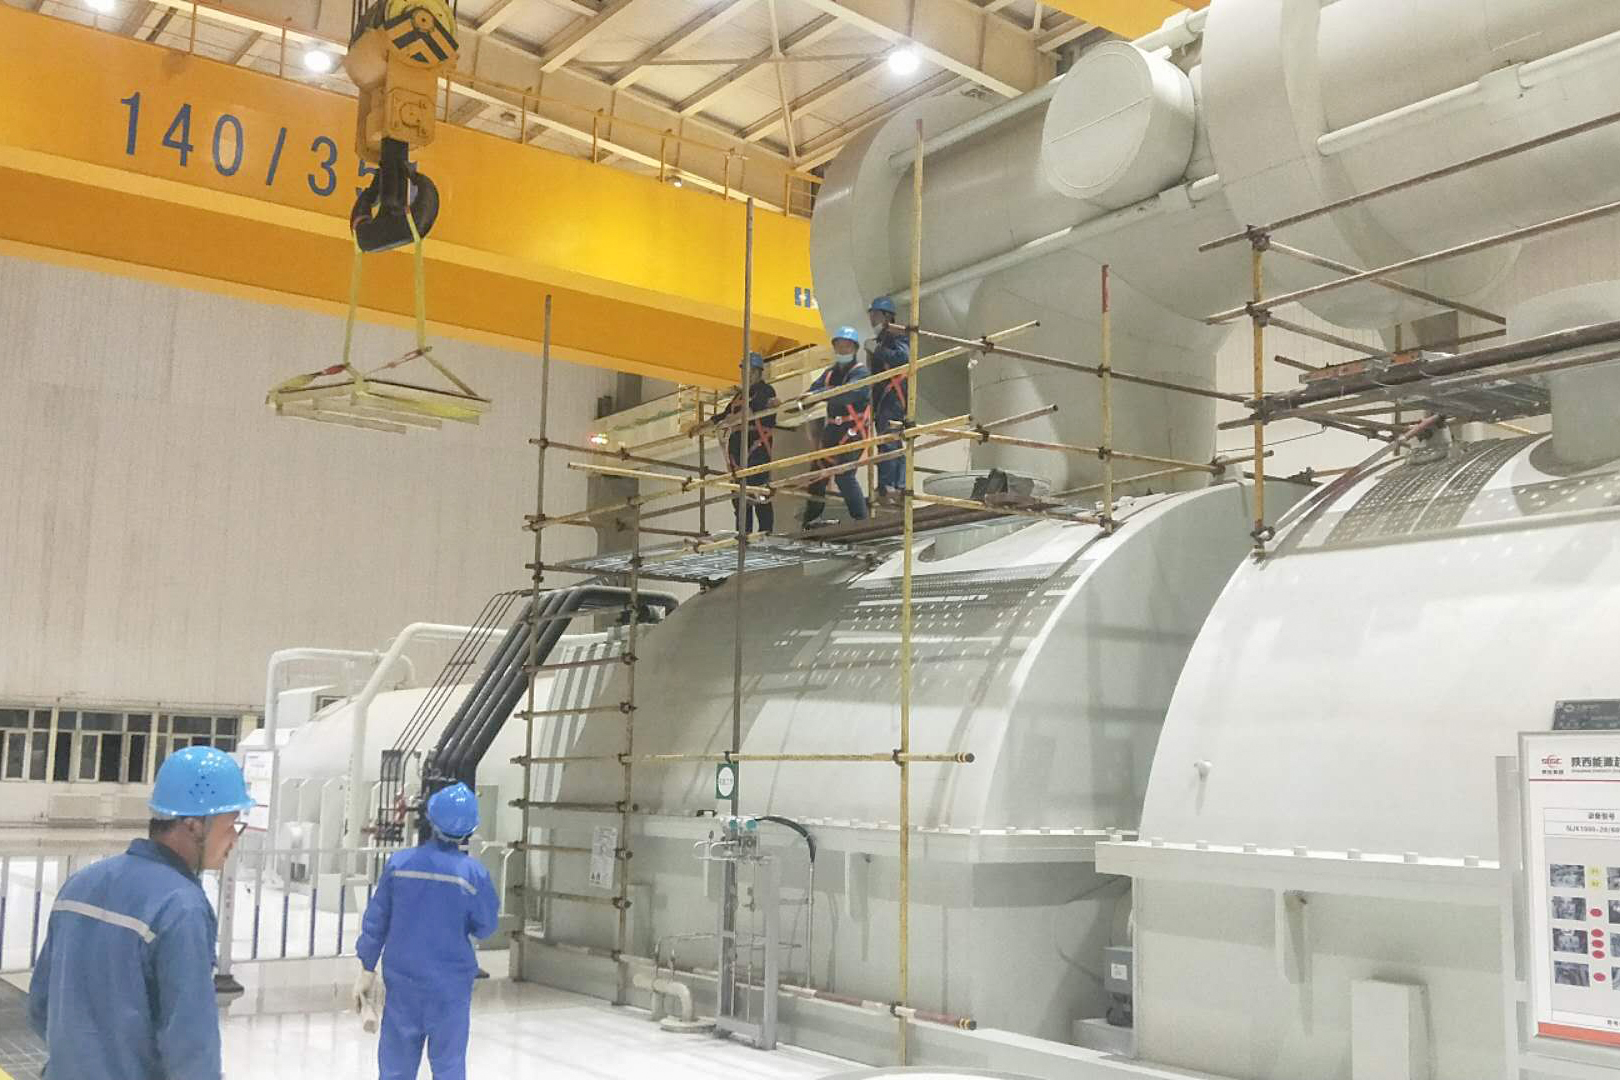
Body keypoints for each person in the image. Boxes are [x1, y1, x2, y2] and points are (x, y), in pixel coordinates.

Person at [28, 745, 255, 1080]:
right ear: (194, 825)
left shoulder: (79, 885)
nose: (234, 838)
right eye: (231, 823)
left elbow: (40, 1006)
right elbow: (191, 1046)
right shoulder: (181, 907)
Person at [355, 782, 499, 1080]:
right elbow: (486, 927)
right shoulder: (473, 875)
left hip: (403, 983)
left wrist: (367, 967)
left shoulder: (399, 865)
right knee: (449, 1067)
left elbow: (376, 920)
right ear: (469, 830)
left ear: (430, 820)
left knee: (395, 1068)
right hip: (450, 988)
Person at [801, 325, 872, 527]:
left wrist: (821, 394)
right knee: (817, 474)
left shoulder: (861, 373)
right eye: (839, 346)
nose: (842, 350)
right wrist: (807, 398)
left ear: (854, 349)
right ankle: (811, 519)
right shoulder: (830, 373)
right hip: (833, 431)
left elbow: (847, 394)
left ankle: (861, 520)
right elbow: (813, 392)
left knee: (844, 475)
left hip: (853, 431)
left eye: (846, 346)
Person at [720, 351, 778, 535]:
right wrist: (704, 425)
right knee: (739, 493)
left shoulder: (766, 391)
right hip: (738, 450)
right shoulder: (739, 396)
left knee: (757, 488)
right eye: (745, 371)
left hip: (757, 446)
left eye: (751, 371)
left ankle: (765, 532)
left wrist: (732, 419)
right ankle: (743, 535)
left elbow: (754, 409)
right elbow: (724, 415)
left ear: (759, 373)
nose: (747, 375)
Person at [865, 296, 909, 507]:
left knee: (890, 441)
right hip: (884, 399)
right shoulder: (882, 338)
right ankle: (893, 486)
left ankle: (891, 486)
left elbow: (903, 358)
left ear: (886, 315)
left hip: (893, 397)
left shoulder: (896, 335)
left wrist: (877, 351)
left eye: (875, 314)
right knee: (890, 441)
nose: (872, 318)